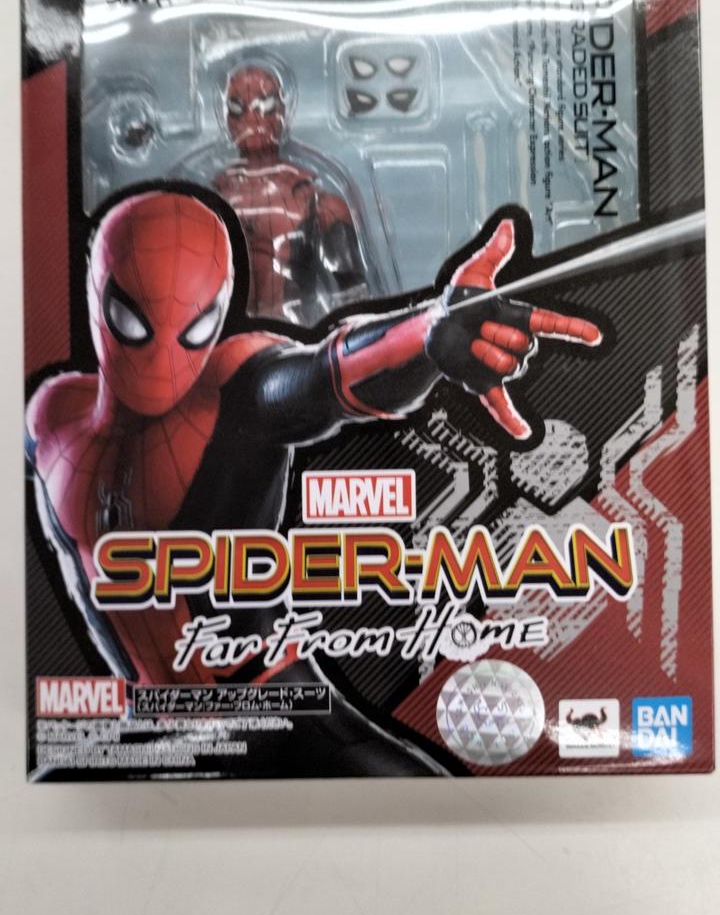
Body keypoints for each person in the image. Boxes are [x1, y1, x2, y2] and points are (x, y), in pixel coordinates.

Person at [25, 190, 601, 689]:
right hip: (140, 724)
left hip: (274, 702)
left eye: (193, 326)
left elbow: (323, 378)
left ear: (218, 308)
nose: (162, 358)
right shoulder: (51, 415)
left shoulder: (233, 387)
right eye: (133, 319)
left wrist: (432, 332)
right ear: (98, 290)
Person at [214, 64, 367, 325]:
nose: (252, 118)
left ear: (282, 113)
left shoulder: (319, 203)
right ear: (227, 117)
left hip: (298, 335)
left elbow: (354, 299)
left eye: (265, 105)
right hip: (227, 337)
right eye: (238, 108)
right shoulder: (210, 201)